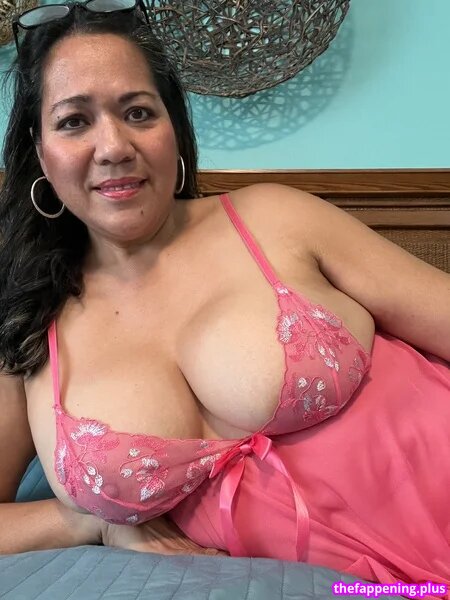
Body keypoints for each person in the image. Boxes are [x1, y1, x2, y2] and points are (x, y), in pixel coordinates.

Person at [0, 1, 449, 597]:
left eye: (138, 112)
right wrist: (92, 521)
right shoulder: (31, 327)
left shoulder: (275, 217)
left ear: (173, 129)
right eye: (74, 121)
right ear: (39, 150)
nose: (113, 146)